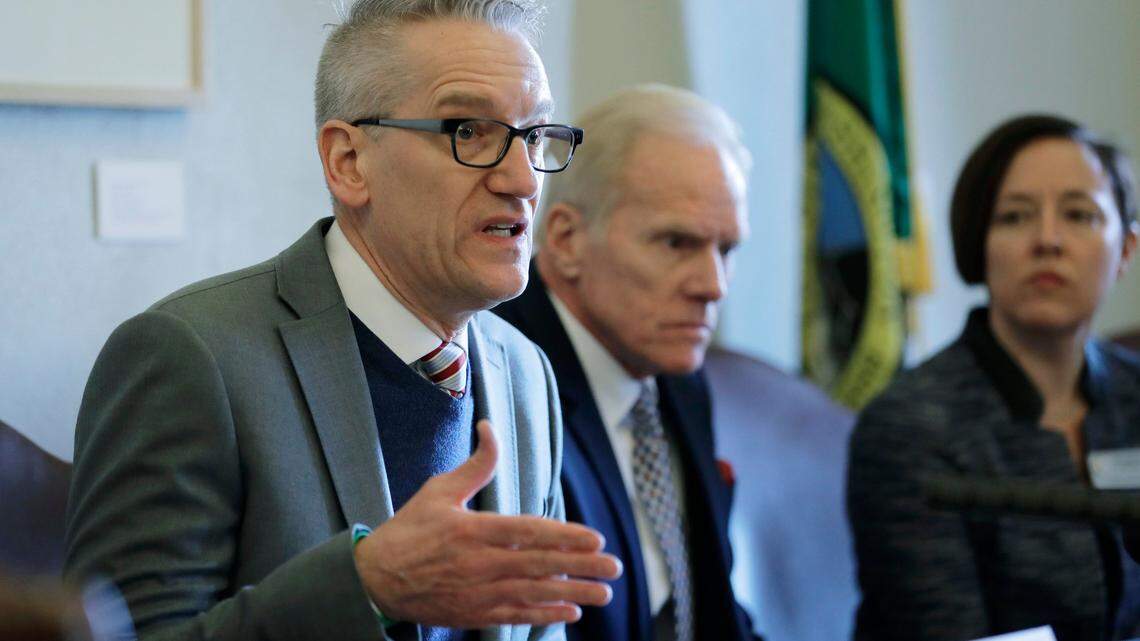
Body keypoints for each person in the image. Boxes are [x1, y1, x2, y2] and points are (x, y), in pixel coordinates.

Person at [64, 2, 622, 640]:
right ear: (348, 161)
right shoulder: (189, 356)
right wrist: (366, 588)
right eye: (469, 131)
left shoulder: (525, 371)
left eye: (535, 135)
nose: (522, 179)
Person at [848, 114, 1140, 641]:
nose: (1047, 240)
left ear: (1125, 250)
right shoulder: (908, 428)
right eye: (1015, 216)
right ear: (977, 243)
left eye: (1079, 214)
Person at [494, 84, 760, 641]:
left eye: (727, 249)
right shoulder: (497, 381)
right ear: (566, 239)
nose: (713, 286)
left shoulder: (679, 381)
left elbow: (716, 615)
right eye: (676, 243)